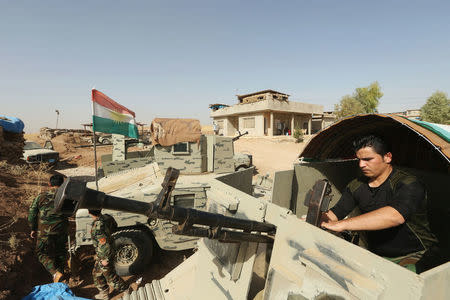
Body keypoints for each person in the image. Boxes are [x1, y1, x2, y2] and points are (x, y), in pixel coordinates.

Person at [321, 135, 436, 272]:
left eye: (368, 159)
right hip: (378, 256)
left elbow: (395, 216)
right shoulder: (357, 185)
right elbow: (336, 213)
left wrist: (343, 224)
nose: (361, 165)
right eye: (359, 160)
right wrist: (318, 218)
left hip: (416, 254)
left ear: (387, 157)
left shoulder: (409, 183)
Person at [28, 174, 68, 283]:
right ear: (62, 184)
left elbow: (32, 214)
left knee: (40, 252)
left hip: (44, 232)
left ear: (49, 184)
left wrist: (33, 228)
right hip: (61, 230)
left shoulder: (41, 197)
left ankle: (55, 273)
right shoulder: (66, 197)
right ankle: (60, 276)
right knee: (61, 252)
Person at [89, 209, 128, 300]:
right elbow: (115, 226)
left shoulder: (97, 227)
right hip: (104, 252)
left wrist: (105, 259)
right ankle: (104, 294)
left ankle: (126, 290)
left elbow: (104, 244)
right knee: (96, 274)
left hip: (105, 255)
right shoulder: (107, 217)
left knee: (110, 276)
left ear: (89, 212)